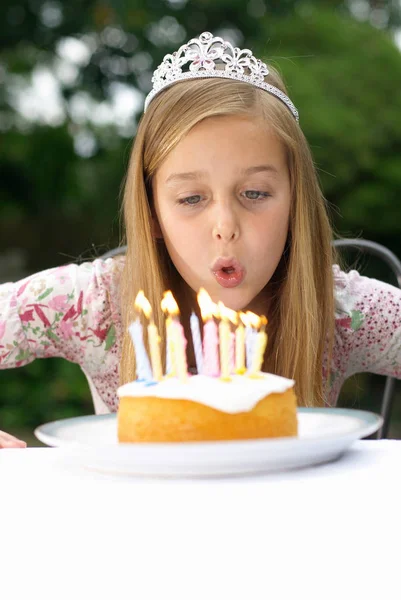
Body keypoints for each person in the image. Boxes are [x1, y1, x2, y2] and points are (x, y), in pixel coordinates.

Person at [1, 31, 400, 448]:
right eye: (191, 198)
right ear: (153, 212)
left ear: (295, 202)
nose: (225, 226)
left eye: (256, 193)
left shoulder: (341, 311)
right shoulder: (95, 304)